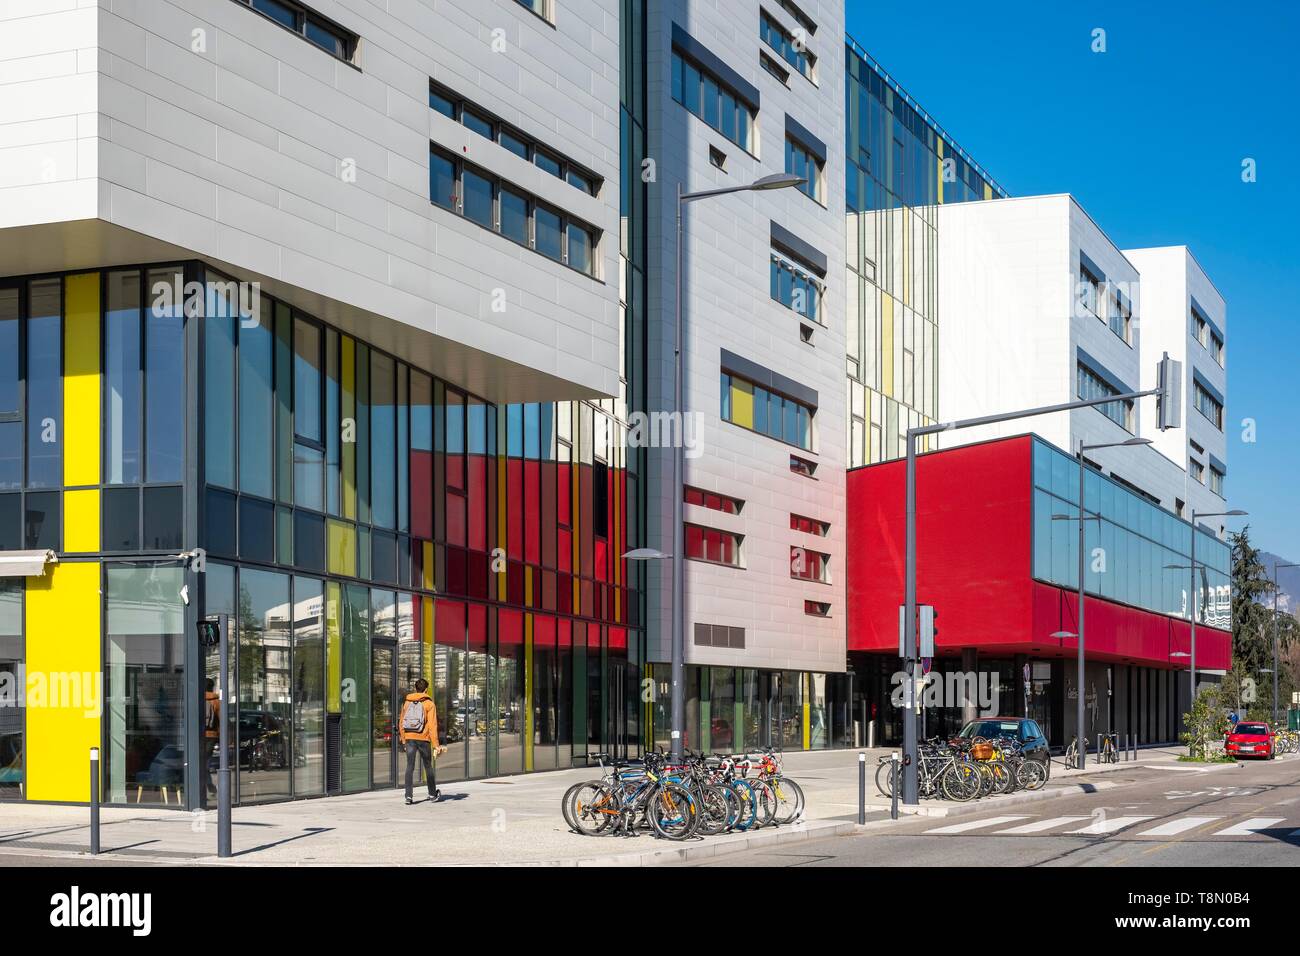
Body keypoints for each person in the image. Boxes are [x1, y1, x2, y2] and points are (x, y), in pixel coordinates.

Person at [399, 678, 444, 805]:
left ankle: (408, 797)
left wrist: (403, 739)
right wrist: (436, 745)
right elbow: (432, 726)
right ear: (426, 689)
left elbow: (401, 722)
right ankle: (432, 794)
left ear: (415, 688)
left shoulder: (407, 702)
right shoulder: (429, 704)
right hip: (423, 739)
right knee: (428, 767)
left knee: (410, 766)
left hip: (409, 738)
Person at [202, 678, 220, 800]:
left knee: (200, 763)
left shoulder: (197, 698)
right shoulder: (216, 701)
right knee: (205, 763)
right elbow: (221, 721)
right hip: (211, 736)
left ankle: (206, 787)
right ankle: (209, 786)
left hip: (199, 735)